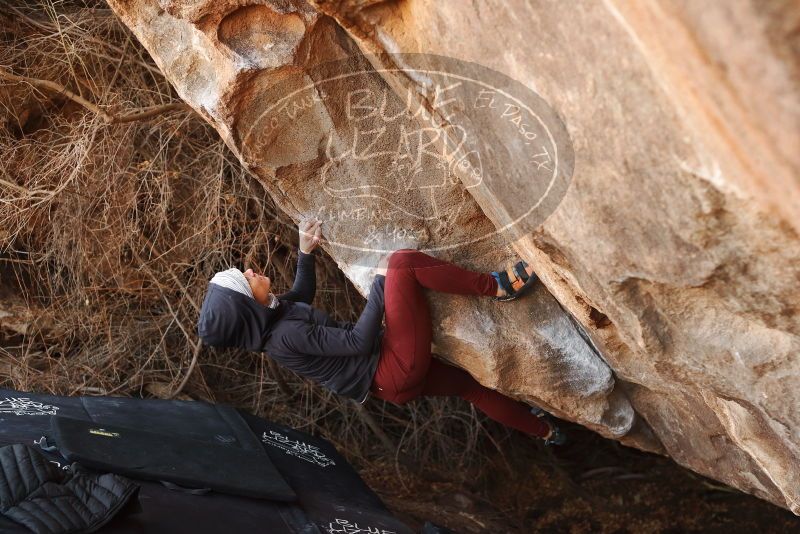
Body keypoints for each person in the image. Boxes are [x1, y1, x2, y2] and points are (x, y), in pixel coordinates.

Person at [197, 218, 564, 445]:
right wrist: (380, 282)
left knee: (470, 388)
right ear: (249, 306)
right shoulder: (285, 338)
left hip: (389, 382)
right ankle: (497, 287)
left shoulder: (275, 322)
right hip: (391, 367)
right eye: (244, 281)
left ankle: (544, 432)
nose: (249, 271)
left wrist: (305, 253)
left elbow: (300, 297)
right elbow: (360, 341)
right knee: (401, 263)